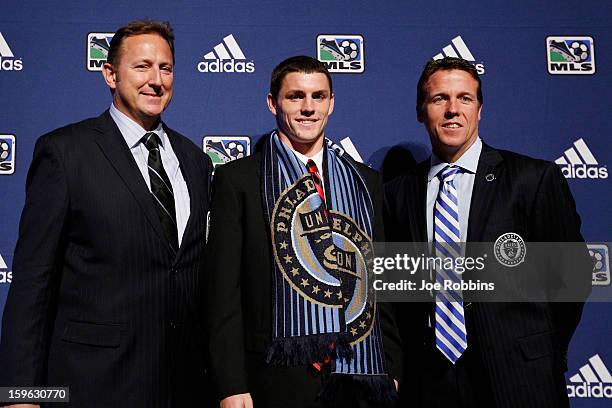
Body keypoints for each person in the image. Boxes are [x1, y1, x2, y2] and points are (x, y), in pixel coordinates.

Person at [0, 19, 212, 407]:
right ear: (110, 75)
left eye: (165, 68)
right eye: (142, 66)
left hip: (182, 385)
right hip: (92, 384)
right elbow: (33, 282)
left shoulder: (195, 161)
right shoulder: (65, 153)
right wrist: (19, 393)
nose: (156, 80)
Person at [384, 57, 591, 408]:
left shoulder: (532, 179)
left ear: (480, 110)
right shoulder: (398, 192)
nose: (453, 110)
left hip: (520, 376)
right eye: (439, 99)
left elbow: (571, 279)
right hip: (430, 380)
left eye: (464, 98)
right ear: (421, 110)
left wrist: (535, 346)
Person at [206, 56, 402, 408]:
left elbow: (379, 285)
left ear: (331, 103)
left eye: (318, 96)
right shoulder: (239, 180)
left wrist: (392, 368)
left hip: (358, 375)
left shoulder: (365, 182)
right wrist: (230, 384)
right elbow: (223, 294)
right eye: (296, 96)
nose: (308, 108)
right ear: (272, 103)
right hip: (273, 377)